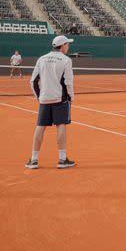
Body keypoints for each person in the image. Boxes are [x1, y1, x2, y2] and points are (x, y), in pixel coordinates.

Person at [25, 35, 77, 169]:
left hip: (44, 98)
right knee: (61, 125)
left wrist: (39, 97)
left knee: (40, 127)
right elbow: (68, 82)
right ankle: (62, 159)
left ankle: (34, 160)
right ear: (62, 45)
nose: (68, 46)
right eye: (67, 44)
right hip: (60, 99)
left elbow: (33, 81)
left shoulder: (41, 59)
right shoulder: (66, 60)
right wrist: (70, 97)